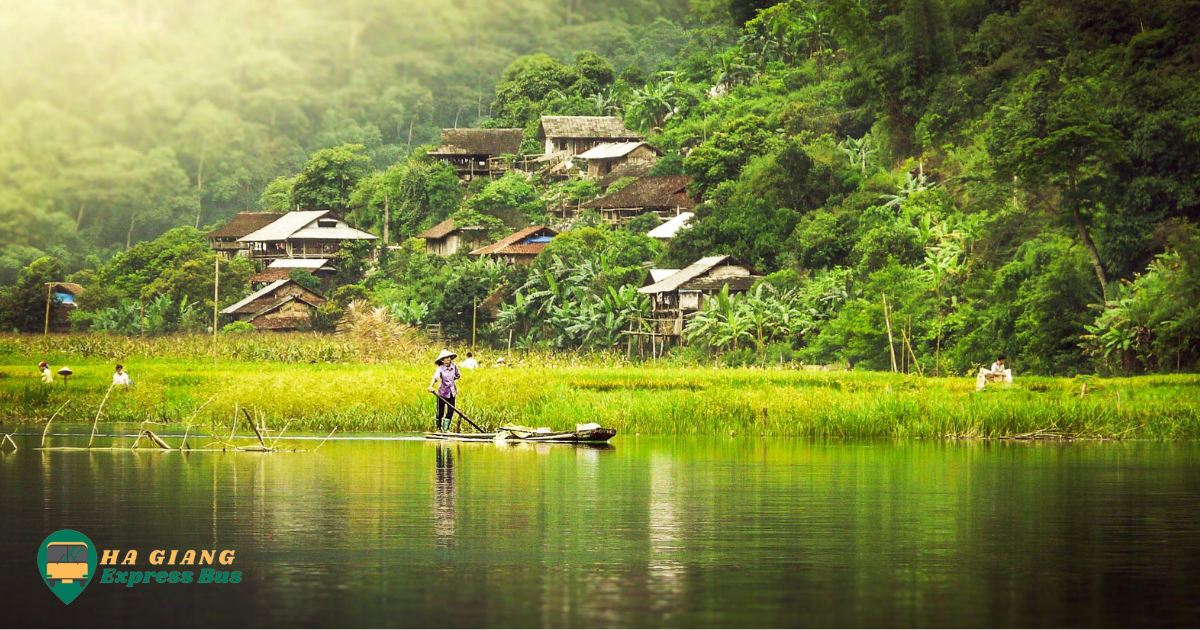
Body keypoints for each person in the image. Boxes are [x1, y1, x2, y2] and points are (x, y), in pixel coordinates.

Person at [427, 349, 461, 432]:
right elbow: (435, 377)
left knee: (450, 411)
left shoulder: (454, 367)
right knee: (440, 412)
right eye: (445, 358)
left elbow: (457, 375)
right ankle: (439, 428)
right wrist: (431, 386)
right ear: (442, 360)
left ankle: (446, 429)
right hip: (442, 392)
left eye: (448, 358)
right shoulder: (440, 368)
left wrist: (451, 381)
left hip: (452, 392)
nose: (447, 360)